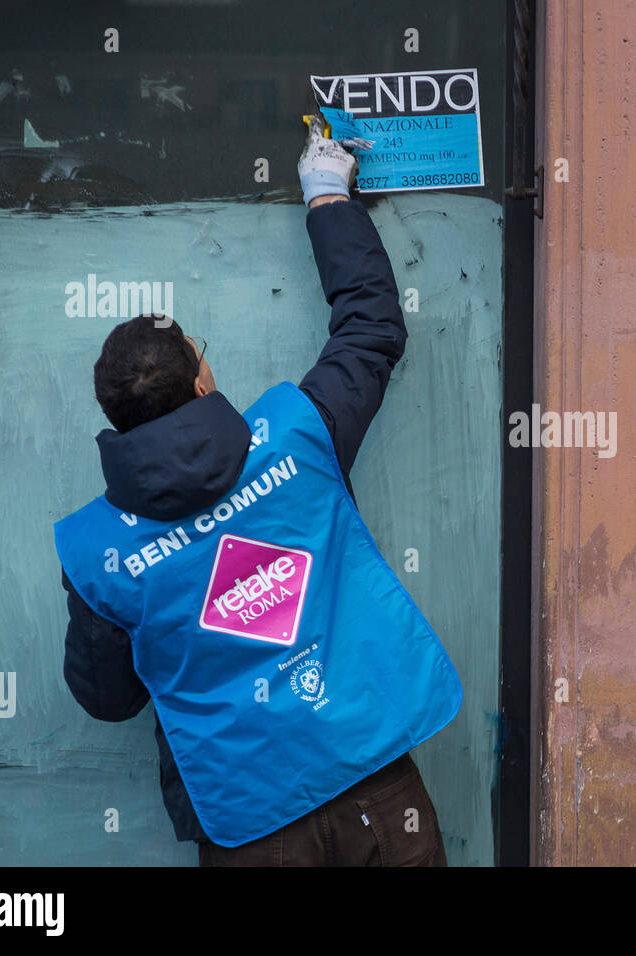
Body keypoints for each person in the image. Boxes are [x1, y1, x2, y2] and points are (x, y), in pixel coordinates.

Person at [54, 120, 461, 866]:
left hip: (246, 825)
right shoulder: (296, 434)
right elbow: (370, 329)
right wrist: (327, 195)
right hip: (373, 788)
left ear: (118, 420)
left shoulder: (97, 553)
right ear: (201, 378)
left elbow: (107, 698)